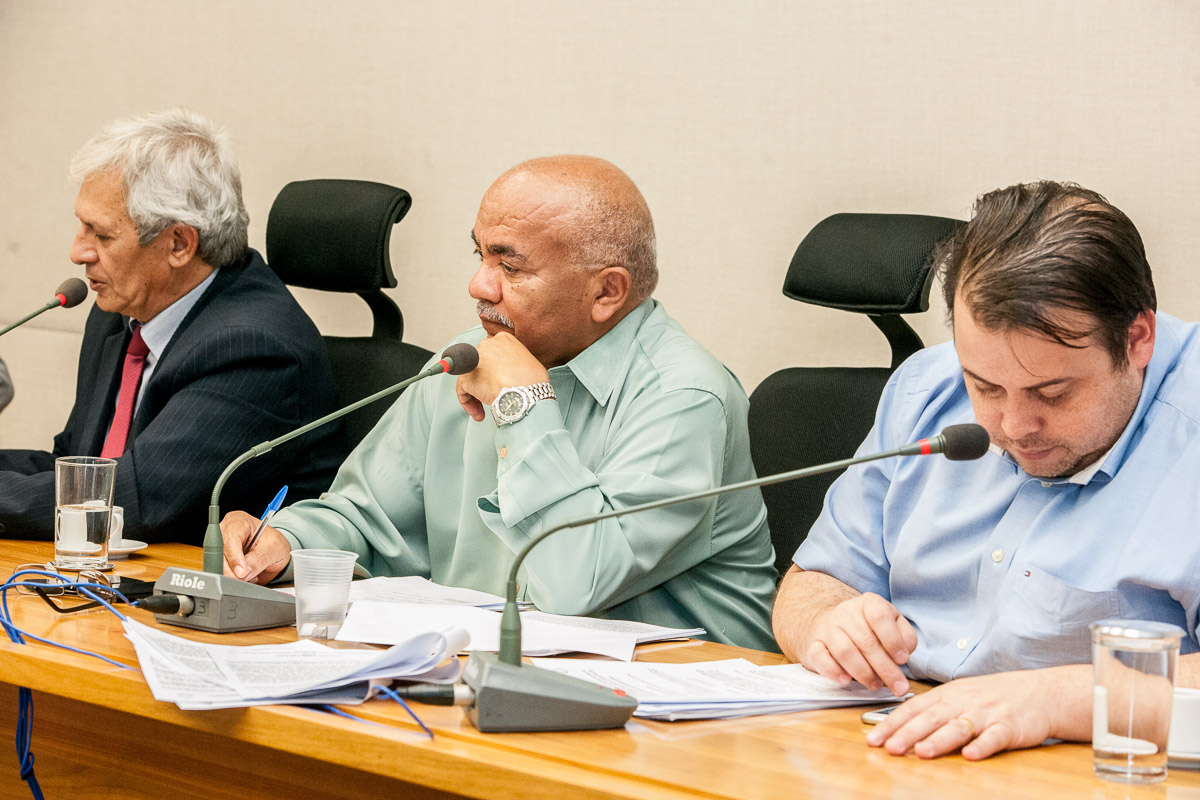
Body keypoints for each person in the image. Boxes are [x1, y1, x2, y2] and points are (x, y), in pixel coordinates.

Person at [221, 155, 778, 650]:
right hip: (490, 675)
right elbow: (366, 519)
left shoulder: (685, 396)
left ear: (606, 292)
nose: (479, 285)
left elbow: (571, 582)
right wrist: (289, 542)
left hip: (678, 710)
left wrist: (523, 404)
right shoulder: (467, 358)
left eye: (510, 268)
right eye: (481, 255)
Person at [773, 181, 1200, 760]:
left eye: (1052, 392)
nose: (1015, 425)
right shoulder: (927, 387)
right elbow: (811, 584)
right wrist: (829, 624)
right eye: (986, 387)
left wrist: (1055, 699)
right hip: (890, 744)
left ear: (1137, 339)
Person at [0, 109, 345, 543]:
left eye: (101, 235)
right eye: (81, 227)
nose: (78, 252)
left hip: (211, 578)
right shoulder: (120, 310)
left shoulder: (254, 347)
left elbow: (134, 500)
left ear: (179, 244)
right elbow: (78, 467)